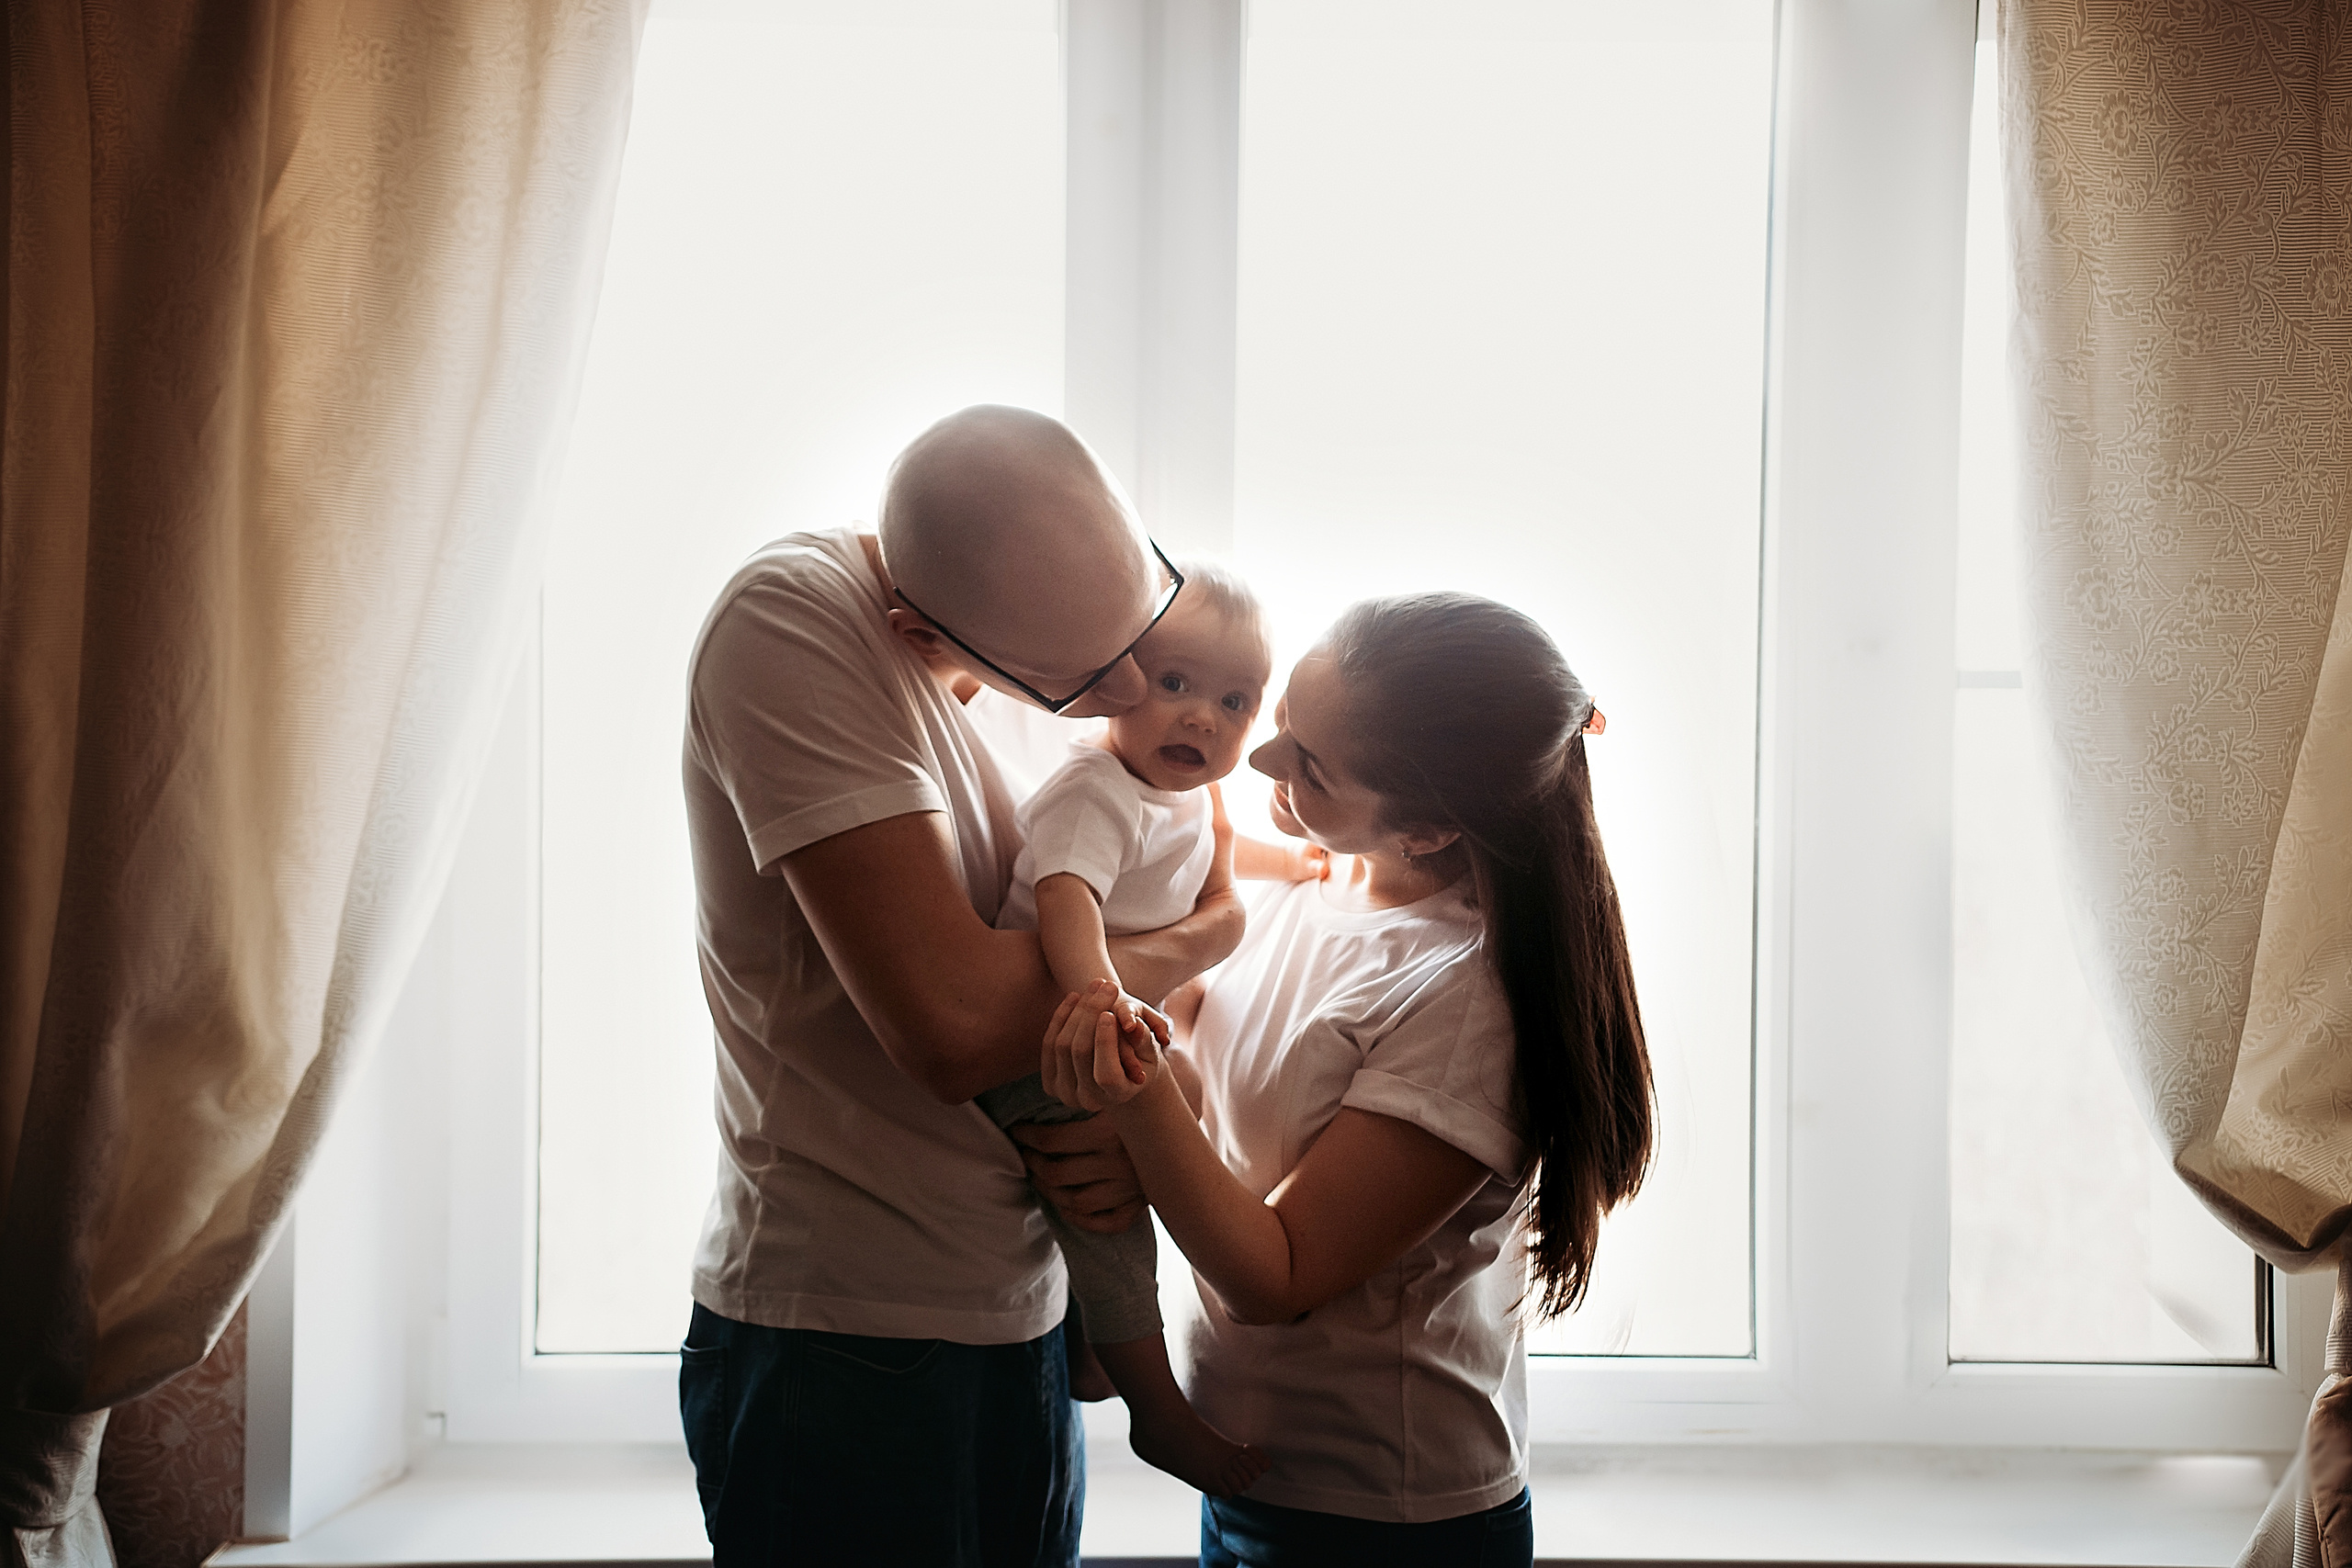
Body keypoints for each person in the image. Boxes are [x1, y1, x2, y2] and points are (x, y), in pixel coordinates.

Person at [677, 405, 1239, 1566]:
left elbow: (1036, 967)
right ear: (924, 634)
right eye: (1086, 679)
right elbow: (955, 1026)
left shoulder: (990, 643)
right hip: (855, 1339)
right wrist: (1204, 937)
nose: (1135, 686)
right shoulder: (793, 621)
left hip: (1006, 1307)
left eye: (1144, 619)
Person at [1038, 592, 1654, 1568]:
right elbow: (1198, 1072)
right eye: (1281, 720)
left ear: (1427, 833)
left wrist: (1138, 1104)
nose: (1264, 762)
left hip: (1386, 1517)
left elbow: (1272, 1278)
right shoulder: (1313, 888)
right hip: (1251, 1468)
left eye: (1310, 766)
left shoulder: (1465, 1002)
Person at [981, 562, 1320, 1500]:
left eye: (1233, 701)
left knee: (1132, 1191)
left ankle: (1098, 1349)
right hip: (1040, 1048)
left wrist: (1291, 861)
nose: (1201, 718)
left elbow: (1211, 847)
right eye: (1174, 685)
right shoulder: (1095, 790)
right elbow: (1066, 902)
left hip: (1093, 1022)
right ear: (1113, 685)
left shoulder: (1178, 795)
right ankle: (1156, 1413)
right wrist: (1099, 996)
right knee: (1112, 1224)